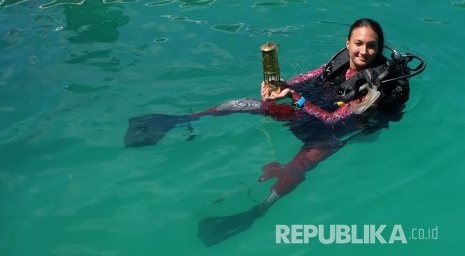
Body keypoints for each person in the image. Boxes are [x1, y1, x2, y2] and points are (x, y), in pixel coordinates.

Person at [124, 18, 425, 246]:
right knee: (250, 104)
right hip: (312, 110)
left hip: (341, 128)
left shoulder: (375, 84)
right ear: (347, 43)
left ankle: (258, 210)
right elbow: (307, 78)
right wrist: (280, 88)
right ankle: (180, 119)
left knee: (303, 161)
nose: (363, 50)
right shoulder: (340, 62)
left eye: (371, 45)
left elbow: (334, 121)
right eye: (358, 43)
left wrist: (294, 98)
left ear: (378, 48)